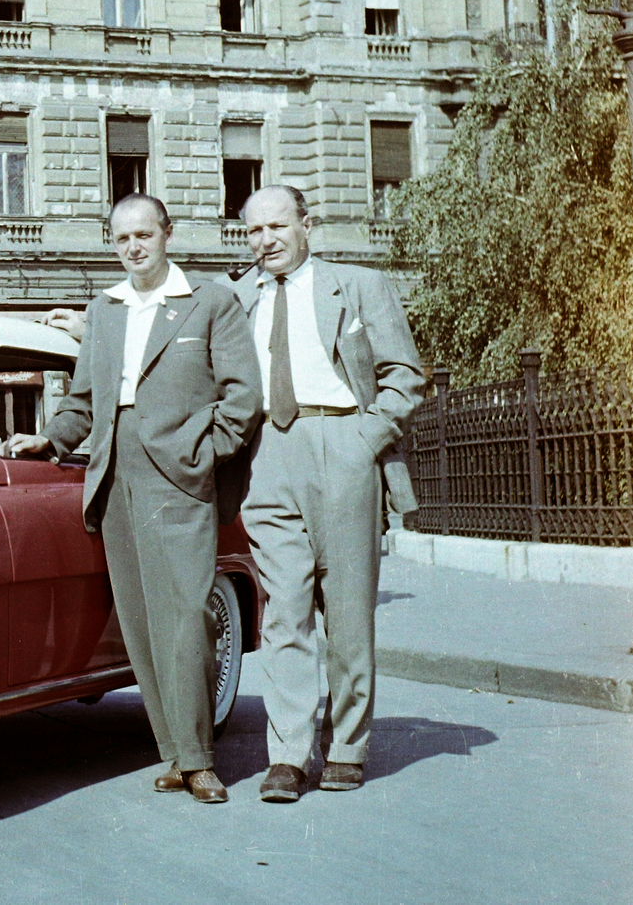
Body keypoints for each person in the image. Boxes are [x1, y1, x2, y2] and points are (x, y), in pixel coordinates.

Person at [9, 193, 262, 803]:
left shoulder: (208, 302)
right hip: (114, 478)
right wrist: (49, 438)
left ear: (167, 234)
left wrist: (199, 454)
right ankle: (172, 753)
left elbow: (244, 397)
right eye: (122, 239)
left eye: (144, 235)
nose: (133, 248)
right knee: (143, 625)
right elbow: (85, 400)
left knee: (187, 619)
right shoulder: (106, 310)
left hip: (177, 480)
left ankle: (200, 758)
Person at [233, 185, 425, 803]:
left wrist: (366, 438)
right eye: (254, 231)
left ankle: (346, 745)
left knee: (345, 611)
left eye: (277, 227)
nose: (266, 241)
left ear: (306, 226)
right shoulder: (236, 298)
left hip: (341, 441)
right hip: (267, 455)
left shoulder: (359, 284)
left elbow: (405, 374)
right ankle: (288, 753)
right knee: (283, 612)